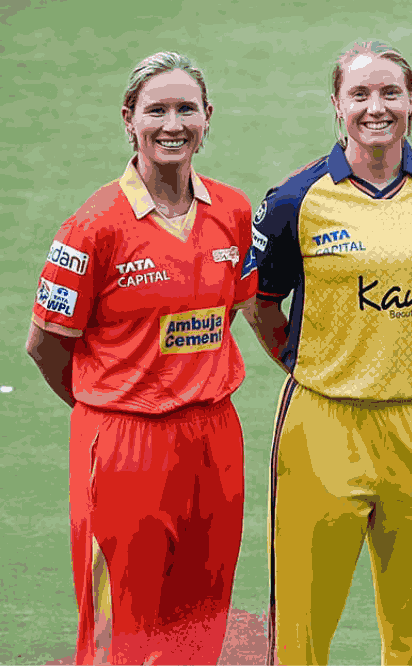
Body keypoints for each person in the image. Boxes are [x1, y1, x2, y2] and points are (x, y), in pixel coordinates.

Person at [244, 40, 412, 665]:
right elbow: (261, 304)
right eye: (361, 95)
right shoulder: (296, 200)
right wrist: (310, 364)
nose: (377, 108)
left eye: (390, 93)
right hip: (324, 426)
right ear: (337, 106)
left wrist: (402, 351)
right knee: (303, 628)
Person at [25, 51, 255, 665]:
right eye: (156, 110)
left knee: (201, 622)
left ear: (209, 117)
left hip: (213, 438)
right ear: (129, 120)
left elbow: (224, 312)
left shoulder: (232, 212)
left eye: (186, 109)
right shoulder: (93, 225)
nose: (172, 124)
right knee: (119, 635)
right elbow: (45, 344)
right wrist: (109, 406)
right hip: (125, 444)